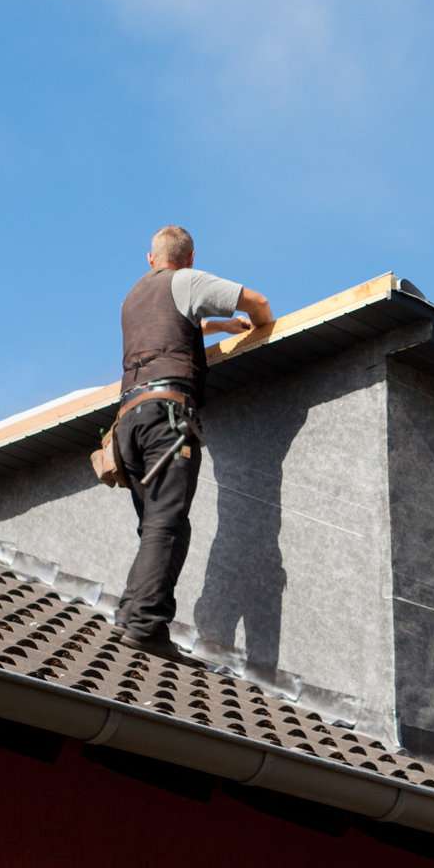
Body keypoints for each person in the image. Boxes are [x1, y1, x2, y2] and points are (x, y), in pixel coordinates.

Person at [111, 225, 273, 658]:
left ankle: (135, 616)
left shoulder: (132, 298)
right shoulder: (186, 281)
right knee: (168, 524)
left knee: (154, 525)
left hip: (128, 422)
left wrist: (218, 325)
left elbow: (174, 332)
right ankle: (143, 626)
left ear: (150, 259)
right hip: (167, 416)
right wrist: (260, 328)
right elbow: (257, 301)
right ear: (191, 256)